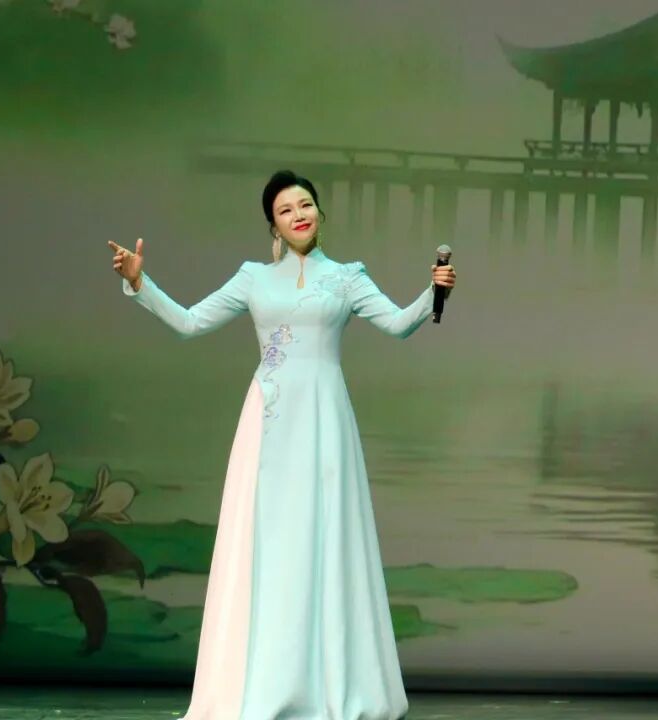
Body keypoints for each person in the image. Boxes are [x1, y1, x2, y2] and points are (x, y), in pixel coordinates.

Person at [109, 170, 455, 720]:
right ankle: (263, 685)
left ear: (320, 212)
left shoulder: (347, 277)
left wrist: (433, 292)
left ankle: (330, 687)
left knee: (326, 539)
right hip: (268, 421)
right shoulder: (253, 278)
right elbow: (191, 323)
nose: (299, 214)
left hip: (325, 418)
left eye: (306, 204)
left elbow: (397, 324)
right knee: (267, 544)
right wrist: (139, 282)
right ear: (272, 223)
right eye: (286, 209)